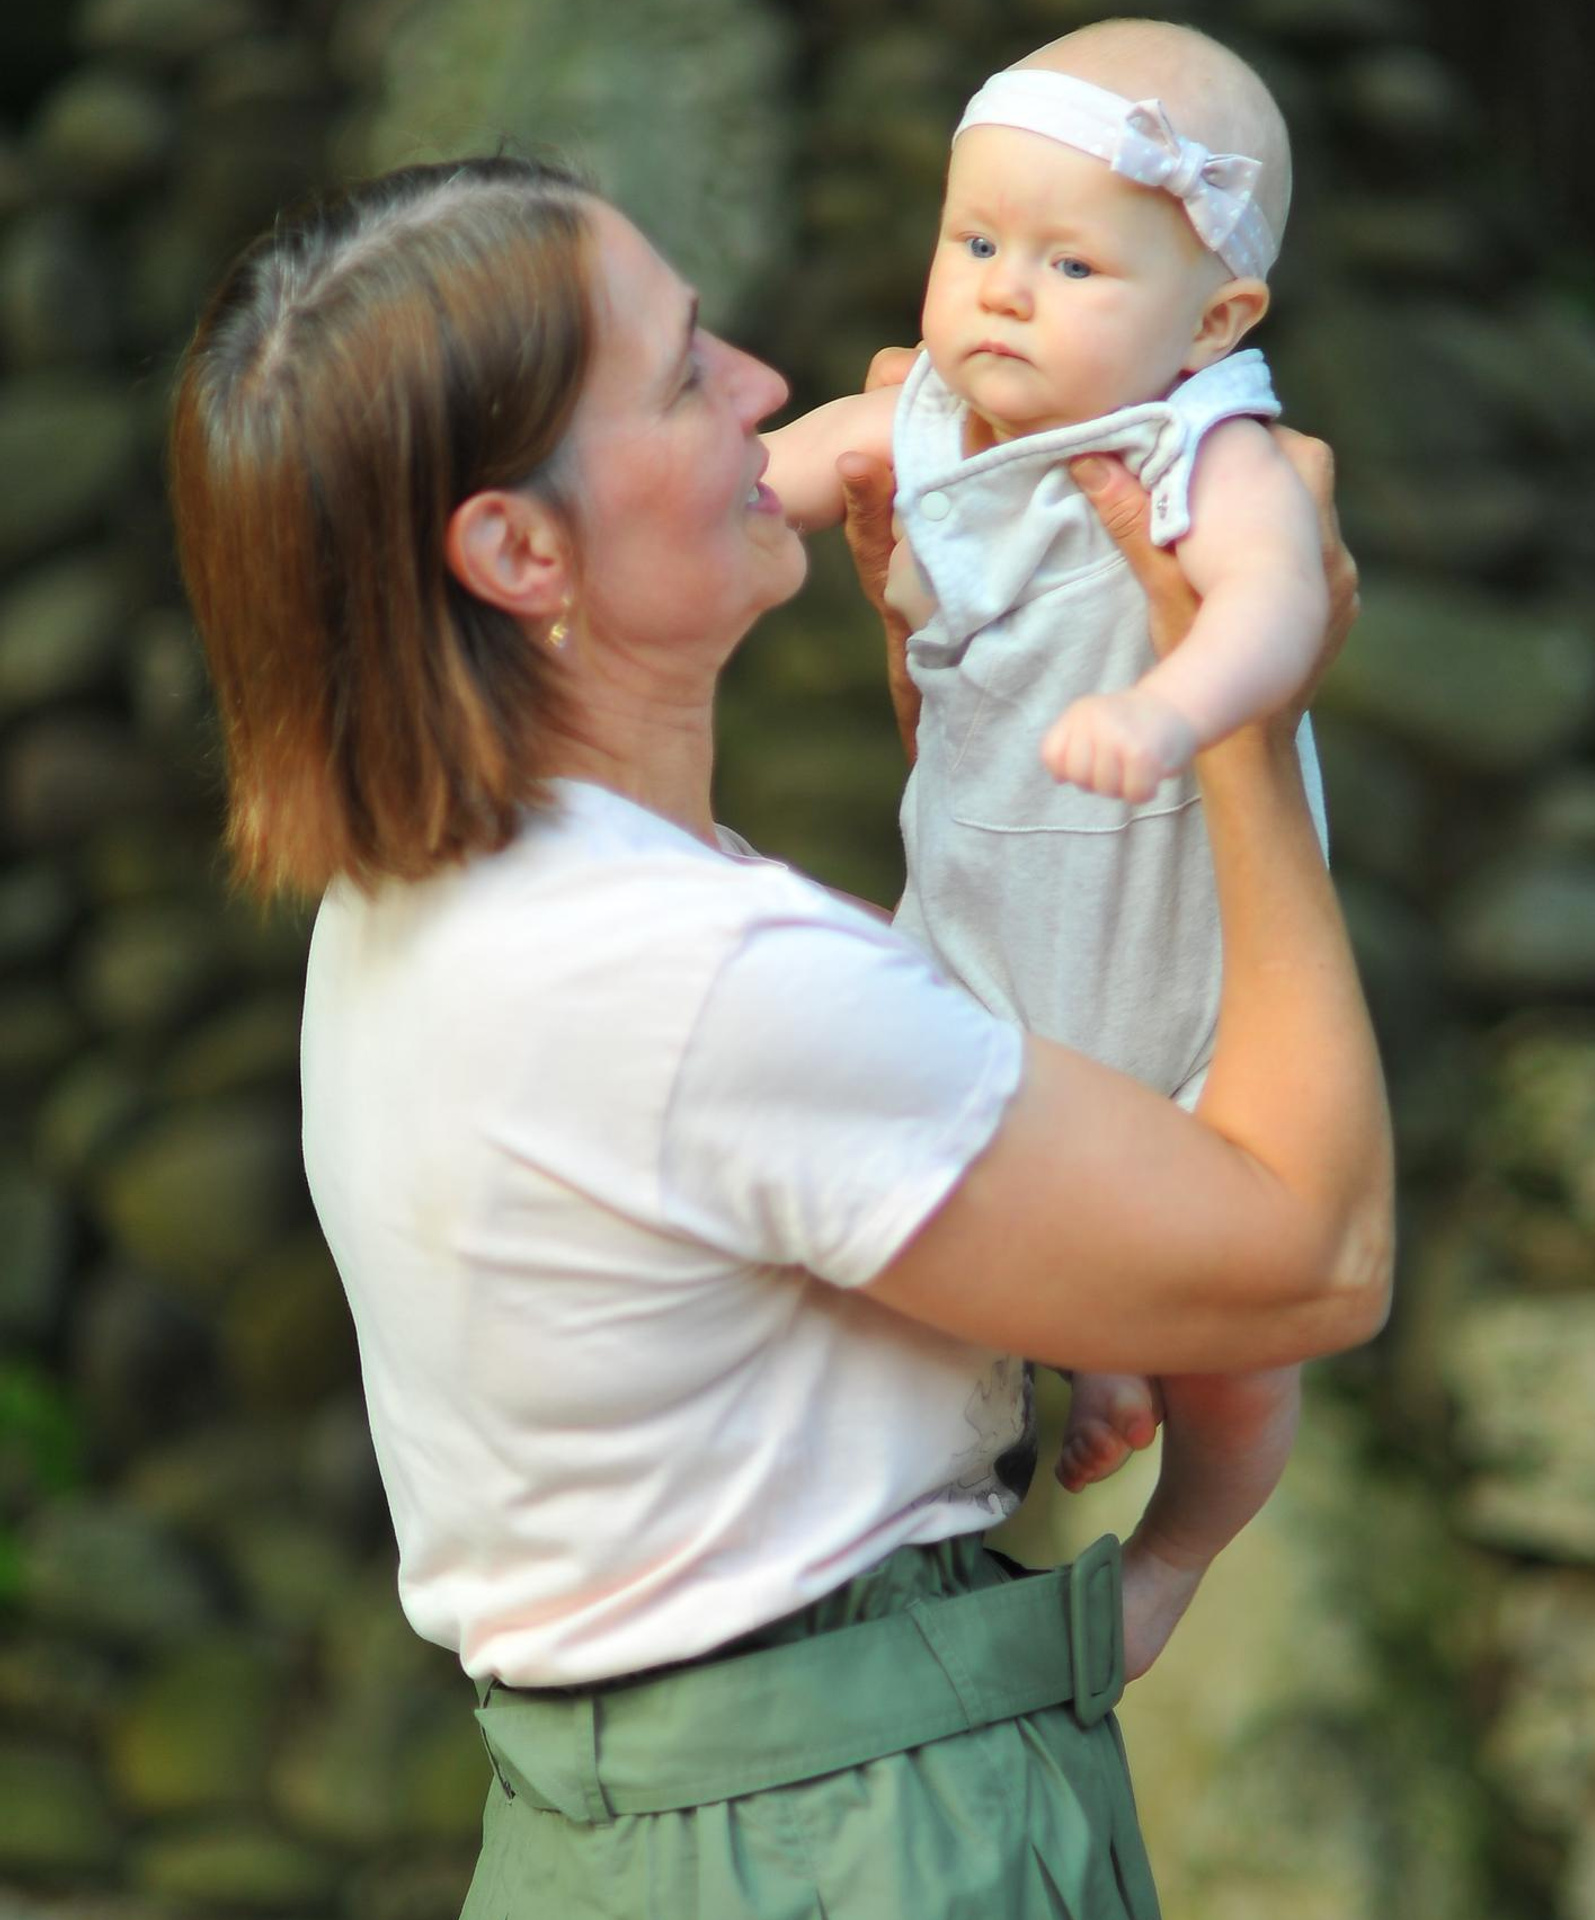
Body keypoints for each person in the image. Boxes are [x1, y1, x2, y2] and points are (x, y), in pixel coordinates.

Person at [169, 151, 1389, 1920]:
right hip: (846, 1843)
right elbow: (1311, 1256)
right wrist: (1249, 725)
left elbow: (866, 1120)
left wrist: (973, 713)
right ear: (518, 549)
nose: (762, 383)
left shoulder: (452, 895)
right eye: (680, 372)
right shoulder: (686, 978)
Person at [764, 20, 1324, 1508]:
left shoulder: (1206, 445)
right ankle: (1092, 1342)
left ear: (1213, 323)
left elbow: (1281, 602)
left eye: (1073, 267)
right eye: (977, 242)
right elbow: (769, 483)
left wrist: (1174, 705)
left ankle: (1182, 1546)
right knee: (945, 1169)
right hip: (987, 926)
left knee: (1253, 1317)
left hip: (1175, 950)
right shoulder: (929, 420)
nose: (1006, 291)